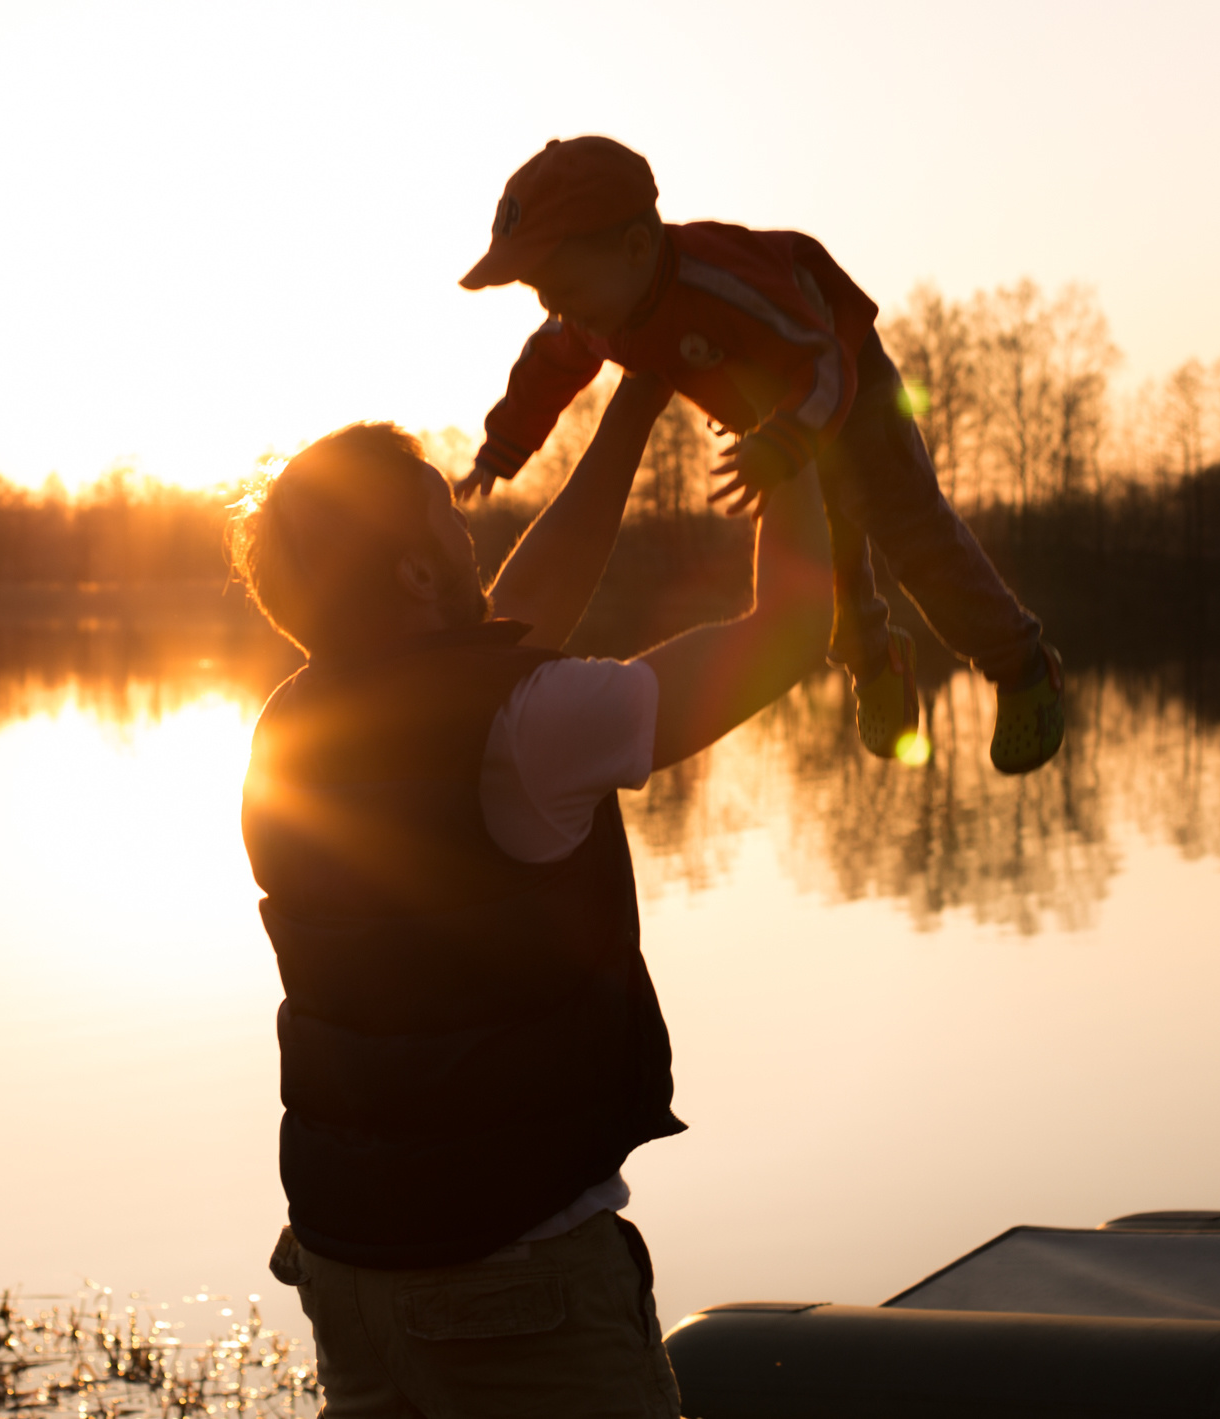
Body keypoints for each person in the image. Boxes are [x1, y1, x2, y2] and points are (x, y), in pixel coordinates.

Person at [231, 372, 831, 1418]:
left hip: (346, 1266)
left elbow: (519, 609)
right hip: (511, 1280)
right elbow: (789, 626)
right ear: (418, 572)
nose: (473, 533)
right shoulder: (533, 723)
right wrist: (798, 449)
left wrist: (634, 406)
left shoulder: (290, 725)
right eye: (449, 517)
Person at [456, 135, 1064, 775]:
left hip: (846, 391)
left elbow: (825, 359)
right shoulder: (594, 314)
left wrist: (783, 440)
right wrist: (500, 451)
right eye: (541, 295)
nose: (556, 310)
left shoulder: (721, 283)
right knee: (817, 564)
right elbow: (545, 366)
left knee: (912, 533)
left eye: (564, 289)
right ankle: (874, 658)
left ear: (636, 249)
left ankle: (1022, 666)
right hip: (771, 419)